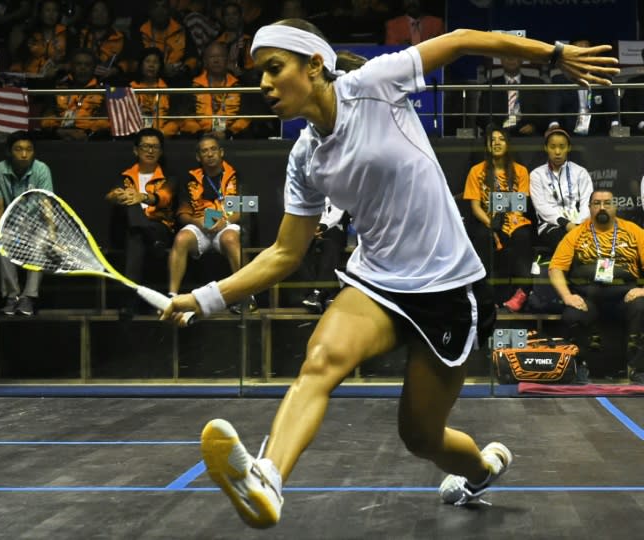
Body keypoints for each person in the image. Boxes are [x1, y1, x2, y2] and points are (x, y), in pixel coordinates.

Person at [162, 18, 618, 528]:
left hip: (448, 287)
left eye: (273, 68)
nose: (263, 84)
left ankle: (482, 468)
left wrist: (555, 54)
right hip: (376, 282)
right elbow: (284, 254)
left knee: (420, 435)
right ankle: (269, 478)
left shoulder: (374, 85)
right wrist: (203, 298)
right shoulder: (305, 157)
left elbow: (464, 39)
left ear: (315, 65)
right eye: (259, 74)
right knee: (320, 359)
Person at [548, 189, 644, 383]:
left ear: (615, 206)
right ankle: (578, 368)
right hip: (588, 297)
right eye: (597, 203)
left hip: (624, 297)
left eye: (607, 203)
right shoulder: (576, 234)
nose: (602, 207)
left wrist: (643, 290)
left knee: (642, 307)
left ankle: (638, 369)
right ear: (589, 207)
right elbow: (555, 268)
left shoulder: (634, 231)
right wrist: (568, 297)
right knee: (572, 314)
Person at [167, 132, 255, 313]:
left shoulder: (234, 175)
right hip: (200, 225)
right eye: (204, 151)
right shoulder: (190, 179)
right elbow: (182, 213)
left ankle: (247, 296)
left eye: (213, 149)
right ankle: (171, 297)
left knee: (230, 238)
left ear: (221, 152)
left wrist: (225, 220)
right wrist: (196, 221)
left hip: (226, 223)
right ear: (198, 157)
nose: (209, 154)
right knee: (182, 238)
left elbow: (247, 206)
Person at [106, 128, 176, 316]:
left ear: (161, 152)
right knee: (133, 221)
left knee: (135, 235)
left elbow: (165, 197)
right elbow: (111, 195)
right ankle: (147, 236)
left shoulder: (169, 177)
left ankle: (129, 301)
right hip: (139, 234)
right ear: (136, 150)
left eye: (155, 147)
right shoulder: (125, 176)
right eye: (146, 146)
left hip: (159, 228)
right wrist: (120, 196)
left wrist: (142, 196)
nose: (150, 151)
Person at [463, 125, 533, 312]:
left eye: (501, 139)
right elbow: (475, 207)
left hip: (514, 220)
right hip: (486, 220)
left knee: (522, 236)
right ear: (486, 146)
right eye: (492, 140)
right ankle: (485, 296)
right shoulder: (477, 171)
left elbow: (520, 205)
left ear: (508, 144)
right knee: (483, 237)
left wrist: (506, 223)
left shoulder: (521, 171)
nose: (497, 143)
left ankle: (522, 291)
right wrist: (491, 224)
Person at [0, 131, 54, 316]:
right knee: (1, 243)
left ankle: (28, 297)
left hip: (36, 224)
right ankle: (12, 297)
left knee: (41, 241)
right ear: (9, 152)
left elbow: (46, 204)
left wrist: (52, 232)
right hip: (10, 224)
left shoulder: (42, 170)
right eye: (18, 149)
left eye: (28, 149)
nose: (24, 154)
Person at [530, 126, 594, 254]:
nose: (557, 151)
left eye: (562, 146)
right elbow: (541, 207)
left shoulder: (580, 172)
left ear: (568, 148)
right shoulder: (537, 174)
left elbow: (587, 202)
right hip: (550, 225)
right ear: (546, 148)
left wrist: (577, 224)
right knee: (566, 242)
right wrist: (565, 223)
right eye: (553, 147)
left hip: (580, 224)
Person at [179, 41, 252, 139]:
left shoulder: (239, 85)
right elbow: (186, 116)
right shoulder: (193, 86)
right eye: (212, 57)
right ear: (205, 62)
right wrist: (201, 134)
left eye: (220, 56)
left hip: (232, 139)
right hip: (199, 138)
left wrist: (228, 133)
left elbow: (246, 117)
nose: (216, 60)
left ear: (227, 60)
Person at [547, 39, 617, 137]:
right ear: (570, 56)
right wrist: (554, 125)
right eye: (579, 51)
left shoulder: (602, 79)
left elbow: (612, 107)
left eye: (587, 52)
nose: (584, 55)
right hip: (568, 131)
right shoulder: (559, 80)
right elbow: (554, 105)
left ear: (593, 56)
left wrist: (615, 125)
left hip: (598, 131)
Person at [40, 49, 110, 140]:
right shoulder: (58, 88)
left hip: (92, 140)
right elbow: (46, 118)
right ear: (72, 67)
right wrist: (59, 131)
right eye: (78, 64)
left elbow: (105, 123)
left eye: (87, 65)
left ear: (94, 68)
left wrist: (86, 133)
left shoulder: (103, 91)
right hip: (60, 137)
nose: (82, 68)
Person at [297, 197, 347, 314]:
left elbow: (338, 209)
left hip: (332, 228)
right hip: (307, 226)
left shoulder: (335, 184)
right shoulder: (302, 186)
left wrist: (322, 226)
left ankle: (320, 292)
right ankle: (312, 293)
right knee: (299, 249)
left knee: (331, 248)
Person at [478, 56, 545, 137]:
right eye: (507, 56)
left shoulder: (536, 84)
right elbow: (482, 116)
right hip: (498, 134)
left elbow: (544, 113)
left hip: (530, 134)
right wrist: (495, 129)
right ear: (501, 60)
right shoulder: (489, 85)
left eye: (514, 56)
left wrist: (534, 126)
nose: (511, 59)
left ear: (522, 60)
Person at [129, 47, 181, 137]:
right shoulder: (131, 87)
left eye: (155, 62)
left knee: (173, 126)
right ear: (141, 64)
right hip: (136, 129)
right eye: (147, 61)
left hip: (162, 130)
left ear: (160, 66)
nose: (151, 65)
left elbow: (173, 116)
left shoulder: (167, 88)